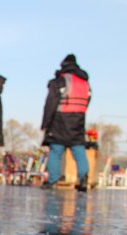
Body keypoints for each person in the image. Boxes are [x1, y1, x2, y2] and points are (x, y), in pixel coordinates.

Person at [41, 54, 91, 191]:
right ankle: (83, 177)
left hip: (60, 120)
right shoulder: (85, 83)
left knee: (56, 151)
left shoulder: (61, 81)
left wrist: (45, 123)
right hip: (78, 120)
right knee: (79, 150)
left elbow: (50, 103)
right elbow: (88, 101)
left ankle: (53, 180)